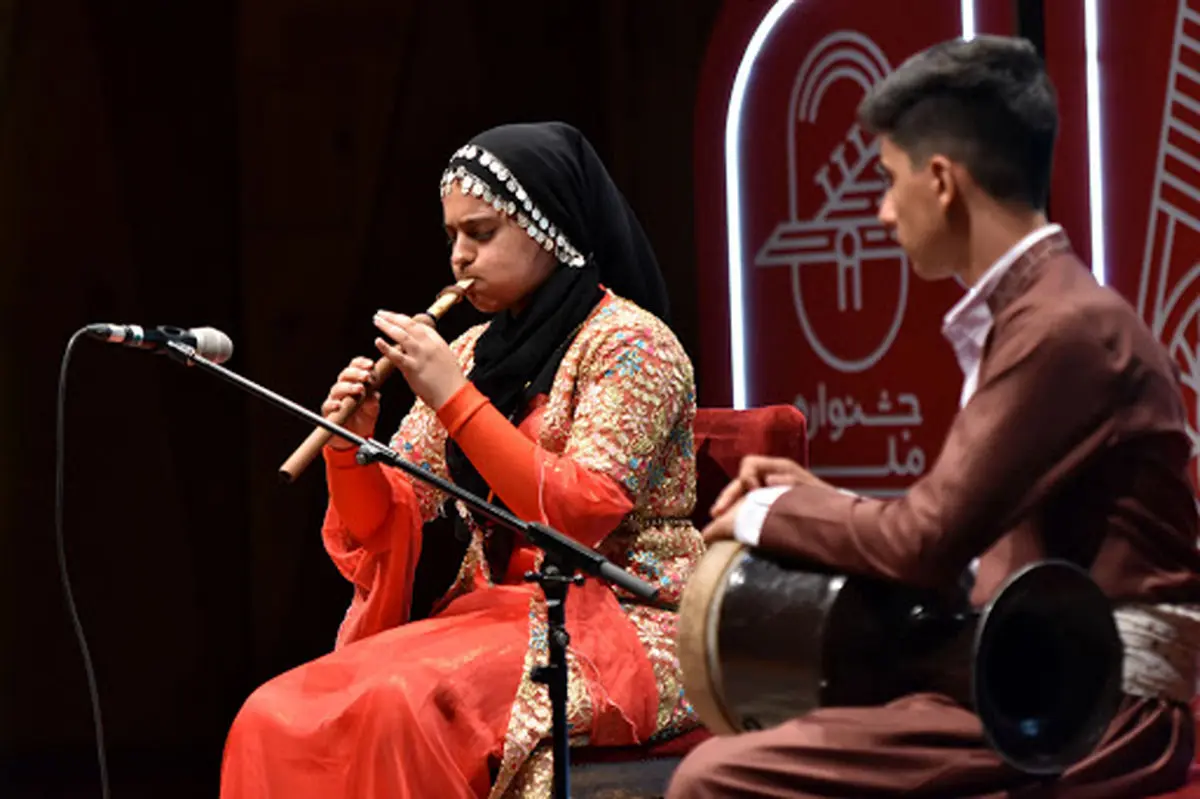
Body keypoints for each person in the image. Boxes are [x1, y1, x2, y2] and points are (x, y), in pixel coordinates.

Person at [668, 35, 1200, 798]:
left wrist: (768, 510)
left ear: (943, 180)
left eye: (888, 180)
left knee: (715, 778)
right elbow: (946, 531)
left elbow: (923, 542)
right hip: (1029, 682)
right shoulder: (1045, 314)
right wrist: (806, 497)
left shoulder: (1062, 328)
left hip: (1090, 708)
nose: (881, 210)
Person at [219, 121, 703, 798]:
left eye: (480, 233)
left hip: (628, 617)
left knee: (399, 704)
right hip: (498, 612)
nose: (459, 257)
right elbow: (394, 516)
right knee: (272, 711)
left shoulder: (634, 344)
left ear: (548, 226)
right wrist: (347, 451)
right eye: (452, 236)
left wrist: (453, 395)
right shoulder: (475, 350)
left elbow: (581, 514)